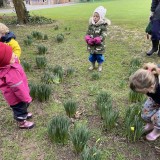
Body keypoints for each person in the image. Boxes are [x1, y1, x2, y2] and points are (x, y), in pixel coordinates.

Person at [0, 42, 34, 129]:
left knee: (23, 106)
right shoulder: (10, 73)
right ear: (5, 60)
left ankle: (24, 114)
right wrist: (26, 98)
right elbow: (18, 88)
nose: (14, 54)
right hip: (17, 97)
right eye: (11, 54)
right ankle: (22, 122)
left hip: (20, 93)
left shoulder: (10, 65)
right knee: (19, 109)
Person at [129, 62, 160, 141]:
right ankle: (150, 125)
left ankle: (157, 131)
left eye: (143, 92)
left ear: (151, 87)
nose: (143, 94)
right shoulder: (150, 77)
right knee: (146, 111)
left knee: (157, 117)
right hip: (156, 98)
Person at [84, 6, 111, 71]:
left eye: (97, 16)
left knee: (99, 57)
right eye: (94, 16)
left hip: (99, 46)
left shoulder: (103, 26)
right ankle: (92, 65)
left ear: (101, 17)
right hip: (91, 45)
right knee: (92, 56)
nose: (95, 18)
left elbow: (104, 34)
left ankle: (100, 66)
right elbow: (87, 33)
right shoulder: (91, 25)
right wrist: (87, 38)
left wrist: (99, 38)